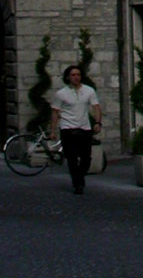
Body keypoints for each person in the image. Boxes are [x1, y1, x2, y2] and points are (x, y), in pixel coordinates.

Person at [50, 63, 101, 195]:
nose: (76, 77)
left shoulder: (89, 91)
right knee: (72, 159)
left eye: (78, 75)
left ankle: (79, 177)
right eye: (73, 75)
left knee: (86, 158)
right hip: (68, 129)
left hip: (84, 128)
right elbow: (55, 112)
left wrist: (97, 122)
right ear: (68, 77)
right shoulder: (61, 94)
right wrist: (53, 131)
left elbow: (96, 107)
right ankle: (78, 184)